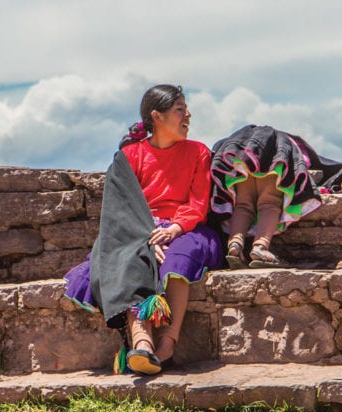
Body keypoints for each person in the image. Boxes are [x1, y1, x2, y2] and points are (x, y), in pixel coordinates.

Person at [63, 84, 223, 375]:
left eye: (186, 109)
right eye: (179, 109)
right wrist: (147, 237)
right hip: (138, 230)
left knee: (177, 259)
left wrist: (173, 229)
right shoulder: (129, 157)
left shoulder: (198, 152)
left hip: (185, 229)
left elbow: (198, 203)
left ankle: (167, 345)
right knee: (130, 256)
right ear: (157, 116)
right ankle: (142, 340)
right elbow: (120, 209)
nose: (188, 114)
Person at [209, 125, 342, 268]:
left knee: (243, 205)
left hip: (242, 160)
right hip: (273, 163)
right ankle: (260, 247)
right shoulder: (286, 143)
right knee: (269, 204)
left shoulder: (243, 138)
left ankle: (235, 244)